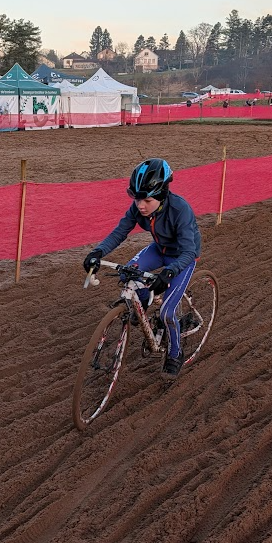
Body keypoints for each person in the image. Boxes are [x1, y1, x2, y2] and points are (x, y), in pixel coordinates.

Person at [82, 158, 201, 380]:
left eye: (147, 200)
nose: (140, 205)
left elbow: (188, 252)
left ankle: (175, 353)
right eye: (137, 199)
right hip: (159, 249)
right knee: (128, 272)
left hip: (182, 257)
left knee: (167, 313)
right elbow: (120, 232)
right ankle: (143, 304)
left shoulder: (180, 210)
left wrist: (169, 272)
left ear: (162, 196)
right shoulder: (139, 208)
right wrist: (97, 252)